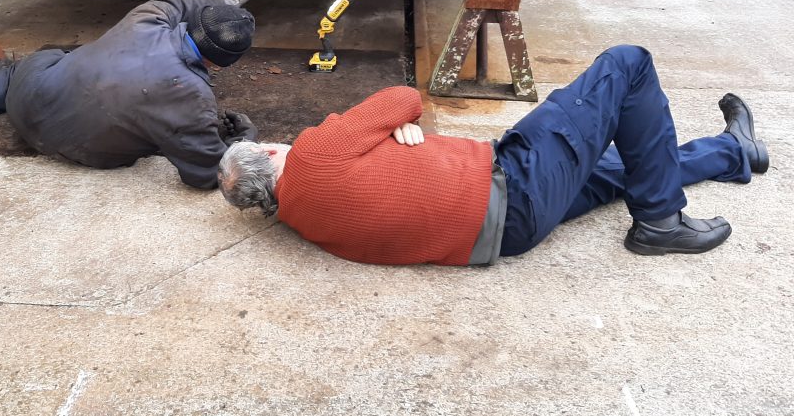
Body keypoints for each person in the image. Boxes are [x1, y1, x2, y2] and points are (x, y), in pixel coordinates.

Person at [218, 45, 768, 263]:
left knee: (622, 169)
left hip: (508, 232)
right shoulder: (313, 153)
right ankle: (660, 223)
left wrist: (387, 145)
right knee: (626, 65)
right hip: (513, 183)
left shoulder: (298, 218)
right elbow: (404, 97)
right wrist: (393, 127)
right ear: (270, 149)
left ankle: (732, 152)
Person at [0, 0, 258, 188]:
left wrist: (220, 4)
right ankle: (7, 79)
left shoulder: (147, 19)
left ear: (192, 24)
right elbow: (205, 175)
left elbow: (177, 2)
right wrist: (245, 142)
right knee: (51, 72)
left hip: (27, 105)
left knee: (39, 64)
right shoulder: (193, 98)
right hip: (81, 151)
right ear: (223, 64)